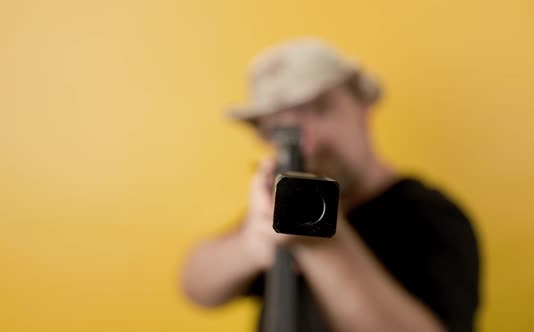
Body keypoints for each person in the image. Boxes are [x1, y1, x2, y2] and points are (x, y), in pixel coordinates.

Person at [181, 38, 480, 332]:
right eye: (278, 127)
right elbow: (197, 286)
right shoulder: (275, 210)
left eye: (321, 109)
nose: (307, 141)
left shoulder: (431, 215)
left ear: (363, 107)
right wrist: (251, 243)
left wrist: (319, 240)